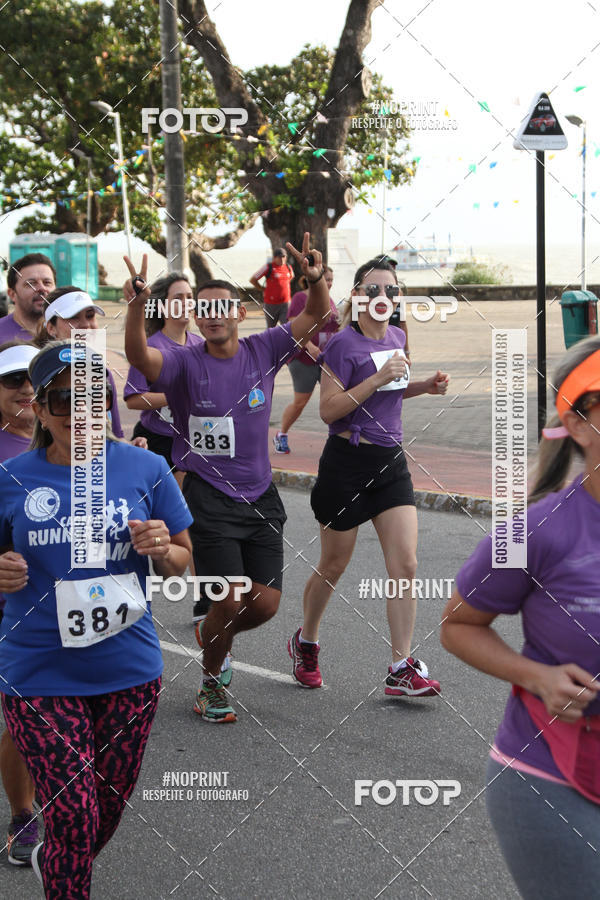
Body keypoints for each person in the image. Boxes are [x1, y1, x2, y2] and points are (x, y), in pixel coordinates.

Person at [0, 340, 193, 898]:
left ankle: (56, 857)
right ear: (39, 410)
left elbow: (183, 562)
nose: (80, 411)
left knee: (95, 820)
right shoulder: (11, 478)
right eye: (63, 401)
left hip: (129, 672)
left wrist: (162, 549)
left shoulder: (147, 468)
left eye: (92, 396)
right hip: (37, 673)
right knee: (74, 820)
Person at [123, 234, 331, 723]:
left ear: (240, 312)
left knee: (264, 606)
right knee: (229, 597)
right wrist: (136, 308)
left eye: (223, 307)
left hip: (261, 497)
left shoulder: (264, 349)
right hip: (208, 498)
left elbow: (315, 317)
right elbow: (140, 359)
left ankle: (212, 631)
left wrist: (316, 281)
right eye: (204, 309)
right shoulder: (182, 361)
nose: (213, 315)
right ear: (196, 316)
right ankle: (211, 685)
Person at [441, 335, 600, 899]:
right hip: (552, 778)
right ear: (580, 423)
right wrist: (537, 676)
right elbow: (458, 625)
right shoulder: (537, 529)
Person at [288, 257, 449, 694]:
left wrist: (423, 386)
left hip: (390, 463)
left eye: (391, 291)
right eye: (373, 290)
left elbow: (394, 388)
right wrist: (377, 378)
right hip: (347, 463)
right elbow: (328, 411)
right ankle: (306, 640)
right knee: (334, 564)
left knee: (406, 564)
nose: (383, 298)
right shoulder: (342, 344)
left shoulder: (398, 335)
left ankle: (401, 666)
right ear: (358, 296)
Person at [0, 342, 39, 866]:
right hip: (10, 608)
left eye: (35, 381)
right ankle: (23, 814)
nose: (27, 391)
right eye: (13, 381)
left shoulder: (80, 442)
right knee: (21, 716)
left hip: (74, 604)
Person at [35, 286, 143, 446]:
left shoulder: (103, 374)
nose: (86, 325)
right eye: (73, 317)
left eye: (90, 316)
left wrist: (130, 447)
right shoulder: (38, 377)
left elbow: (115, 435)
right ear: (51, 328)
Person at [124, 272, 203, 483]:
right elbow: (133, 399)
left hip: (191, 439)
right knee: (161, 511)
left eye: (189, 297)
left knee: (187, 511)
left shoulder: (200, 345)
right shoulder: (149, 347)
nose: (185, 303)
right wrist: (174, 396)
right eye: (178, 298)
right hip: (156, 440)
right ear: (162, 307)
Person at [273, 266, 339, 454]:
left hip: (326, 359)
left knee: (335, 398)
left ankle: (340, 438)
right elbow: (293, 326)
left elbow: (334, 327)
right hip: (303, 358)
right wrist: (310, 347)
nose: (329, 283)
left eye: (331, 280)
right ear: (315, 279)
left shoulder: (330, 300)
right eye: (326, 279)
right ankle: (281, 434)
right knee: (301, 401)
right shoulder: (301, 298)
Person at [0, 253, 56, 342]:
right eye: (31, 283)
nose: (42, 288)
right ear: (12, 294)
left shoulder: (69, 332)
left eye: (47, 283)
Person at [250, 247, 294, 328]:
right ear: (274, 258)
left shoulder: (288, 267)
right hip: (271, 305)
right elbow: (253, 279)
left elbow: (291, 277)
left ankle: (283, 341)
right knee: (271, 329)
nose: (282, 259)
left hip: (286, 304)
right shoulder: (268, 267)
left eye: (284, 256)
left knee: (287, 328)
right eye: (279, 257)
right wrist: (262, 289)